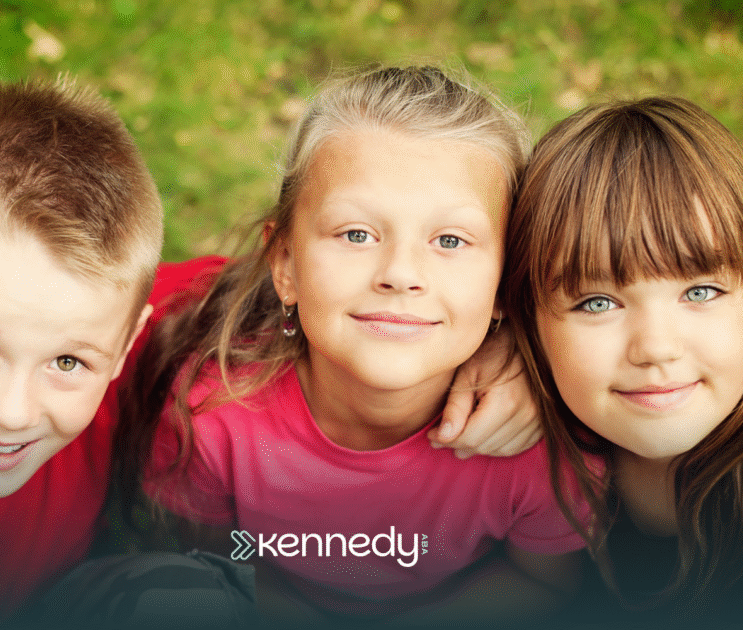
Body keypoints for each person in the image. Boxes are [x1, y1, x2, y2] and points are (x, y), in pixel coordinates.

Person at [119, 66, 588, 628]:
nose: (400, 274)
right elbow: (220, 562)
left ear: (505, 280)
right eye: (357, 234)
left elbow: (543, 581)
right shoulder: (214, 419)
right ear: (286, 264)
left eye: (450, 240)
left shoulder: (537, 449)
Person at [0, 78, 233, 622]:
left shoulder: (97, 314)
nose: (11, 412)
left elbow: (263, 291)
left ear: (125, 343)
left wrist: (422, 368)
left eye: (67, 362)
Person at [500, 96, 743, 627]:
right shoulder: (505, 462)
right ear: (529, 321)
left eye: (702, 291)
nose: (656, 348)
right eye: (597, 303)